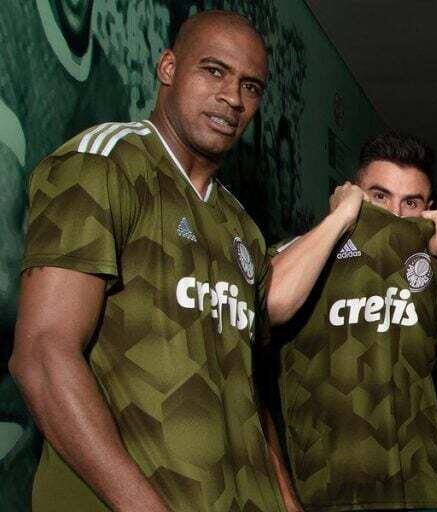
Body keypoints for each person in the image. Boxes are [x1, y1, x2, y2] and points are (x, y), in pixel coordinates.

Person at [10, 10, 297, 511]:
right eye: (214, 71)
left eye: (250, 86)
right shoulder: (101, 164)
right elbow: (42, 354)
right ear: (168, 67)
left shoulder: (241, 227)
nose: (232, 97)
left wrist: (288, 502)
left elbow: (249, 389)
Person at [265, 132, 437, 511]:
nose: (394, 215)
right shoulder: (301, 253)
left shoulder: (431, 273)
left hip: (421, 488)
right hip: (323, 492)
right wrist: (341, 217)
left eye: (410, 202)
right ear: (352, 192)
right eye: (379, 196)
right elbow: (271, 303)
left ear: (428, 209)